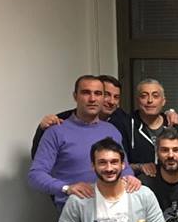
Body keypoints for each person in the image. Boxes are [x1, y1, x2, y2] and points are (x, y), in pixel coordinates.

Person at [29, 75, 140, 211]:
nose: (92, 99)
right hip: (74, 209)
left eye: (98, 93)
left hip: (112, 208)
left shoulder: (112, 130)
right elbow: (36, 175)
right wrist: (66, 188)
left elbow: (124, 167)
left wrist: (130, 177)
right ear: (75, 96)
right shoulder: (56, 131)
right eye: (86, 93)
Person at [55, 137, 166, 222]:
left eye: (114, 162)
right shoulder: (79, 200)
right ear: (93, 166)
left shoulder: (143, 194)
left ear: (123, 164)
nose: (109, 168)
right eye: (102, 162)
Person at [31, 75, 133, 158]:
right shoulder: (61, 121)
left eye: (116, 97)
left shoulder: (123, 122)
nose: (112, 101)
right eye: (107, 95)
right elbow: (39, 158)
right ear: (76, 96)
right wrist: (42, 129)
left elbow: (126, 161)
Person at [127, 79, 178, 176]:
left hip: (170, 182)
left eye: (155, 96)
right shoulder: (127, 125)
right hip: (137, 183)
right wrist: (139, 167)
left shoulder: (175, 125)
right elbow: (118, 163)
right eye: (144, 96)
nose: (150, 100)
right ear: (137, 100)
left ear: (163, 101)